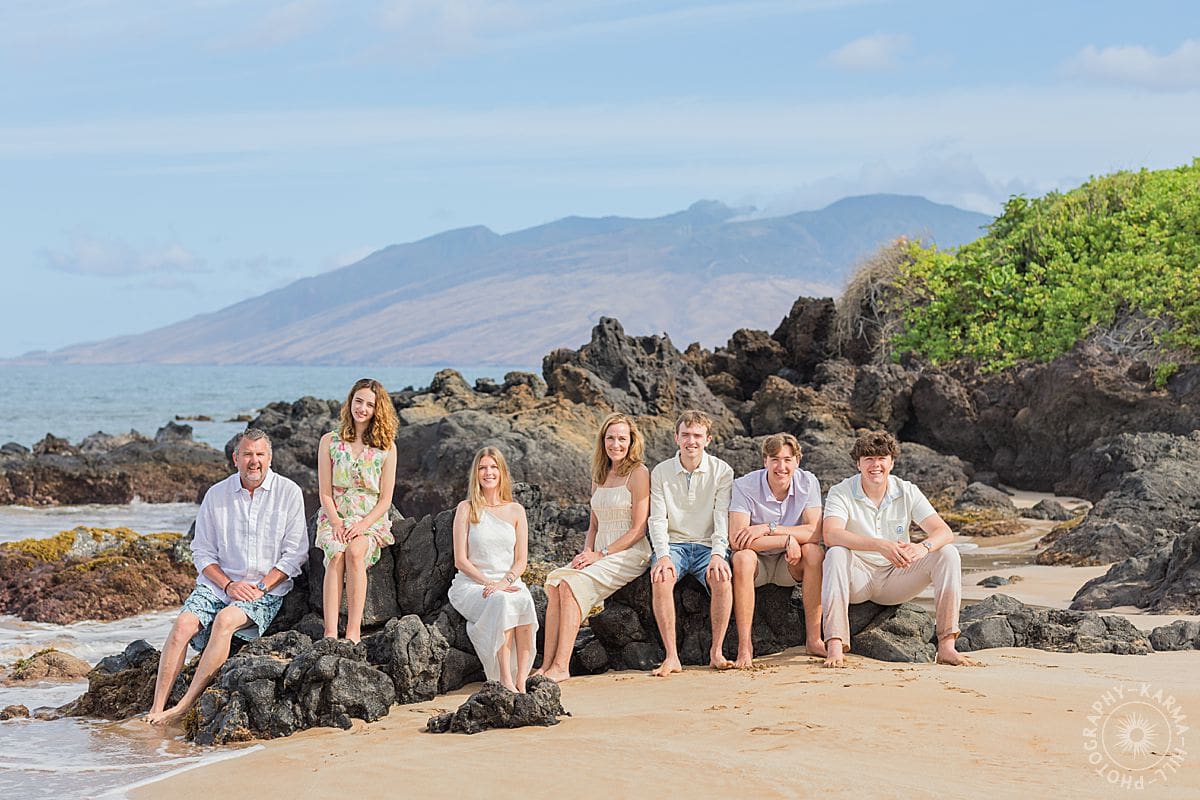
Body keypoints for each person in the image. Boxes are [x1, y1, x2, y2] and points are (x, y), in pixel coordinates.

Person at [145, 428, 307, 725]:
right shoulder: (217, 495)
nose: (254, 461)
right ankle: (156, 708)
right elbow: (202, 552)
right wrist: (228, 585)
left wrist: (261, 587)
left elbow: (295, 555)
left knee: (225, 620)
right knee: (182, 625)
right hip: (220, 585)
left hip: (265, 589)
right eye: (247, 454)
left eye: (260, 454)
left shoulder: (289, 493)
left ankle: (183, 707)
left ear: (270, 458)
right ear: (235, 458)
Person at [821, 430, 975, 668]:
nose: (876, 465)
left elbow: (944, 532)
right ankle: (835, 645)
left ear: (891, 462)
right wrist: (879, 545)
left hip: (897, 577)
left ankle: (946, 646)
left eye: (882, 458)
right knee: (836, 553)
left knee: (948, 553)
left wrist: (923, 548)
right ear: (858, 464)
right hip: (857, 578)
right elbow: (831, 534)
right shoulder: (841, 491)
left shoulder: (907, 490)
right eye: (868, 459)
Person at [538, 413, 652, 682]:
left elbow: (638, 529)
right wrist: (586, 553)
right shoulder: (599, 474)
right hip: (598, 552)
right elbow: (593, 524)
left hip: (630, 552)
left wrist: (601, 554)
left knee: (570, 586)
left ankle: (561, 666)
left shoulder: (638, 473)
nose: (616, 444)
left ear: (631, 441)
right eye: (610, 438)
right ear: (603, 441)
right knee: (555, 584)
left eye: (622, 438)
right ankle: (546, 664)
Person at [647, 409, 735, 676]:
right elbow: (657, 519)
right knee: (661, 578)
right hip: (674, 545)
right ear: (676, 438)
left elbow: (721, 517)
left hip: (708, 546)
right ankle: (672, 657)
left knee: (722, 578)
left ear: (708, 439)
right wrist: (662, 555)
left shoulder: (722, 471)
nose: (691, 441)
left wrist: (719, 553)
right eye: (685, 435)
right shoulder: (661, 472)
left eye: (697, 435)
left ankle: (716, 652)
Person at [729, 433, 825, 667]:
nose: (781, 467)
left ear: (797, 462)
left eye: (787, 460)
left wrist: (769, 528)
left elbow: (814, 533)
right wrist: (786, 540)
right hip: (757, 564)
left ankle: (814, 640)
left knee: (814, 553)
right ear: (765, 461)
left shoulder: (808, 483)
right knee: (742, 558)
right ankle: (745, 647)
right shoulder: (744, 486)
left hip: (789, 564)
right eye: (775, 459)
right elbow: (737, 540)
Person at [314, 378, 399, 643]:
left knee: (354, 552)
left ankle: (353, 632)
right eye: (358, 401)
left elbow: (385, 499)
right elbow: (325, 492)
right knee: (336, 554)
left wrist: (362, 525)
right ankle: (330, 632)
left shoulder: (387, 447)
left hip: (369, 520)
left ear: (377, 409)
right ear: (350, 402)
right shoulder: (329, 441)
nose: (362, 408)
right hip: (335, 516)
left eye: (369, 404)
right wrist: (336, 523)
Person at [448, 446, 539, 692]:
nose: (488, 473)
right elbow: (460, 560)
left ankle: (522, 679)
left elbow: (521, 560)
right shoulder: (466, 508)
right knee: (501, 601)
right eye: (482, 468)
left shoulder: (516, 510)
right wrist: (489, 583)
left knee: (524, 601)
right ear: (476, 474)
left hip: (507, 581)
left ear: (502, 472)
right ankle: (505, 678)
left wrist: (504, 582)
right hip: (472, 584)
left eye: (493, 467)